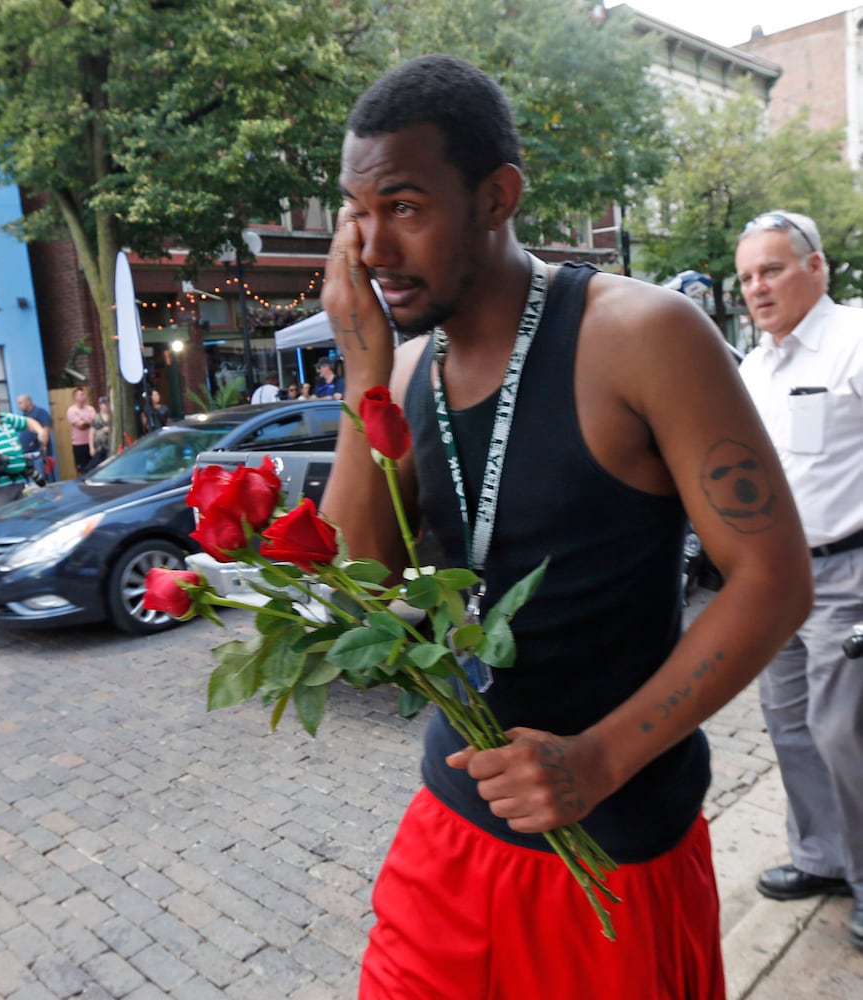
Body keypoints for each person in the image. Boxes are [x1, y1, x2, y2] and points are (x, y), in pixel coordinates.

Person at [318, 55, 813, 999]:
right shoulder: (405, 370)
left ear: (497, 196)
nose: (373, 247)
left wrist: (599, 759)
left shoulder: (641, 335)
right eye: (356, 212)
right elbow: (363, 600)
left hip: (612, 847)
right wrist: (363, 383)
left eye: (406, 207)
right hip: (450, 827)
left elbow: (772, 579)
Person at [735, 210, 863, 953]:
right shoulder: (756, 366)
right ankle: (821, 858)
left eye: (771, 269)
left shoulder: (852, 339)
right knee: (786, 725)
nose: (756, 286)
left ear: (816, 268)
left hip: (848, 573)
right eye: (747, 274)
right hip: (773, 580)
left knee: (845, 734)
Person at [16, 393, 53, 481]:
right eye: (18, 403)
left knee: (39, 482)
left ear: (29, 402)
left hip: (38, 455)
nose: (18, 406)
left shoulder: (40, 412)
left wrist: (44, 448)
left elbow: (46, 430)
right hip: (26, 455)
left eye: (20, 403)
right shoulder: (24, 416)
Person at [66, 386, 96, 475]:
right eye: (81, 394)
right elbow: (80, 426)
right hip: (79, 445)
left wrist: (85, 421)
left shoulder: (91, 409)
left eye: (84, 394)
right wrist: (88, 421)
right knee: (81, 469)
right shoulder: (72, 411)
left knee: (94, 467)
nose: (84, 396)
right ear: (75, 397)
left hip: (92, 443)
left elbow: (95, 423)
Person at [85, 395, 111, 472]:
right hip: (100, 448)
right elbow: (91, 433)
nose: (106, 406)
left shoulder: (113, 416)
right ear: (100, 405)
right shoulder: (96, 418)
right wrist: (91, 447)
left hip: (111, 446)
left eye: (107, 403)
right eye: (104, 404)